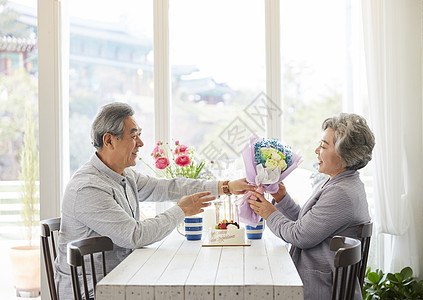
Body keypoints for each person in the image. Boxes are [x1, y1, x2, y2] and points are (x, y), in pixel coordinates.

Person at [54, 102, 253, 300]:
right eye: (133, 136)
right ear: (109, 140)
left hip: (122, 276)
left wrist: (226, 186)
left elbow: (168, 187)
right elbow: (134, 235)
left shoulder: (125, 175)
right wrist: (181, 210)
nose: (140, 143)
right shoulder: (88, 188)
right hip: (92, 291)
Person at [248, 113, 375, 300]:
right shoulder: (340, 183)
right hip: (318, 280)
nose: (316, 150)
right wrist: (282, 199)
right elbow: (307, 224)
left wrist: (269, 212)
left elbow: (300, 236)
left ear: (345, 155)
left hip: (319, 288)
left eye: (324, 146)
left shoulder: (342, 193)